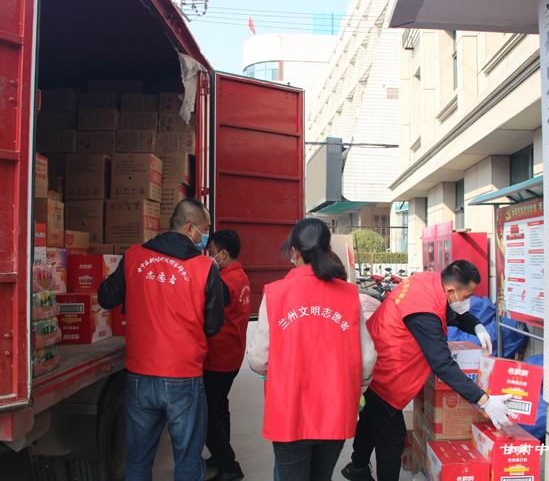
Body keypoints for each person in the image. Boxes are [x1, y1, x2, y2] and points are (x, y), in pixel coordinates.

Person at [341, 260, 516, 481]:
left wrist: (475, 325)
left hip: (375, 359)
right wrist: (484, 400)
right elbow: (441, 363)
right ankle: (362, 469)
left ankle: (357, 468)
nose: (468, 301)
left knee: (371, 420)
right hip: (385, 372)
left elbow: (448, 310)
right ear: (450, 290)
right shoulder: (424, 313)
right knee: (392, 438)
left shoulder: (428, 281)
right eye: (467, 296)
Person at [98, 199, 225, 481]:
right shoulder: (205, 268)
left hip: (140, 375)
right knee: (188, 462)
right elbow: (214, 325)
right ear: (190, 228)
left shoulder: (134, 256)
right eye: (205, 229)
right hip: (183, 376)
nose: (207, 236)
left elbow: (106, 297)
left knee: (138, 460)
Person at [247, 218, 377, 481]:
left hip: (288, 411)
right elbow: (367, 358)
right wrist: (360, 387)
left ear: (294, 252)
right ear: (328, 251)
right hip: (335, 410)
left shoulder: (275, 294)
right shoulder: (350, 294)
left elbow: (258, 358)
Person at [203, 229, 251, 481]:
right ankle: (219, 456)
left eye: (211, 253)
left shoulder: (223, 282)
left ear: (223, 254)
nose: (209, 256)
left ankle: (229, 466)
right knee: (220, 407)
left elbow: (206, 314)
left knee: (205, 414)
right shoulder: (241, 276)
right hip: (232, 357)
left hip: (217, 358)